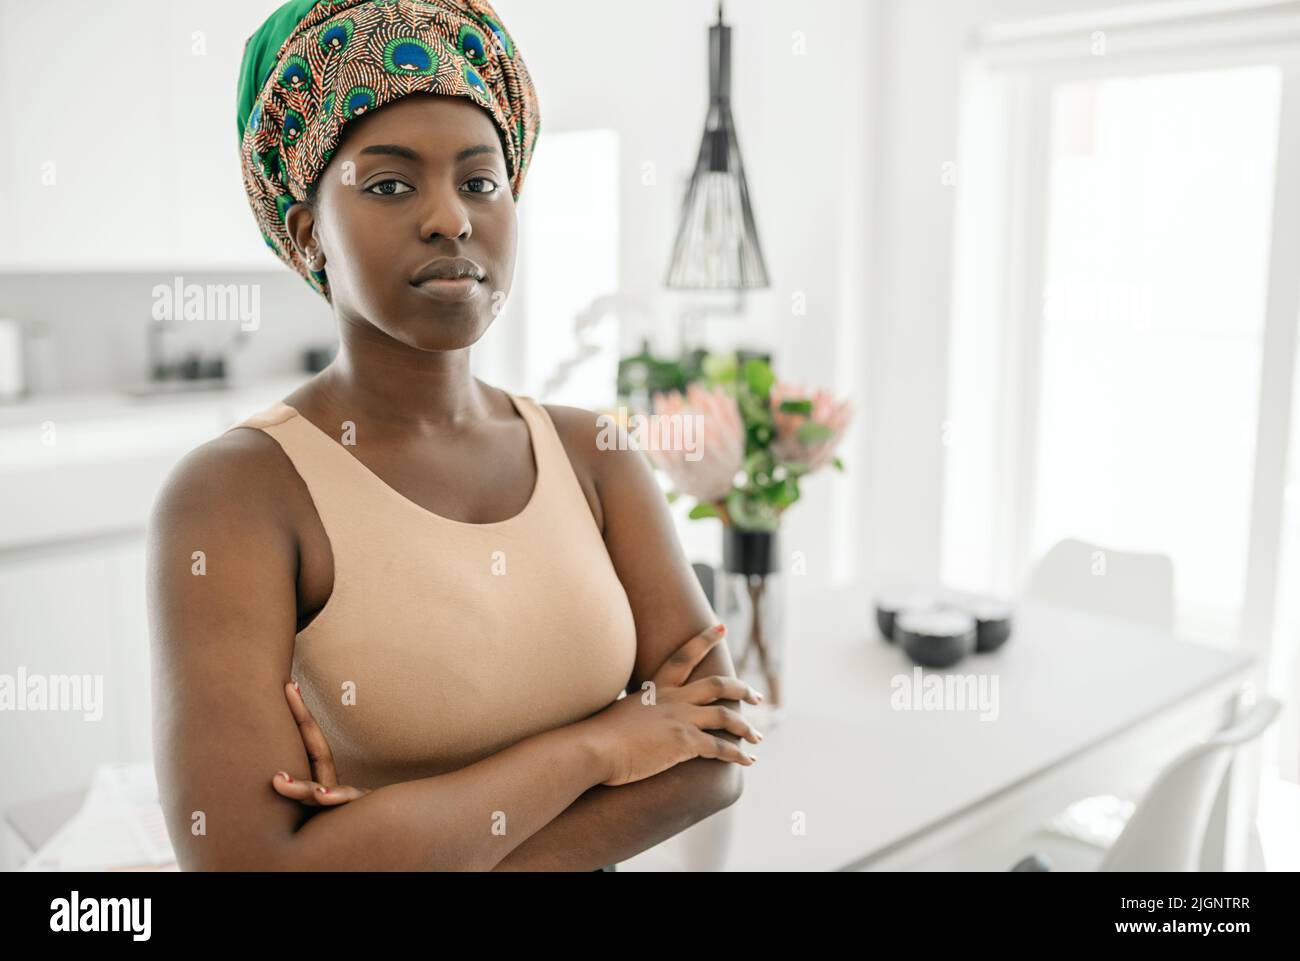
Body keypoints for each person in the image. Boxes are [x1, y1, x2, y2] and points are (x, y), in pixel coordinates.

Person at [147, 0, 762, 872]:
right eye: (391, 184)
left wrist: (388, 845)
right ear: (305, 230)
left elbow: (715, 755)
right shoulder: (237, 494)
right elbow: (247, 866)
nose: (452, 219)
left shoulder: (597, 455)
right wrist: (600, 748)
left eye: (481, 181)